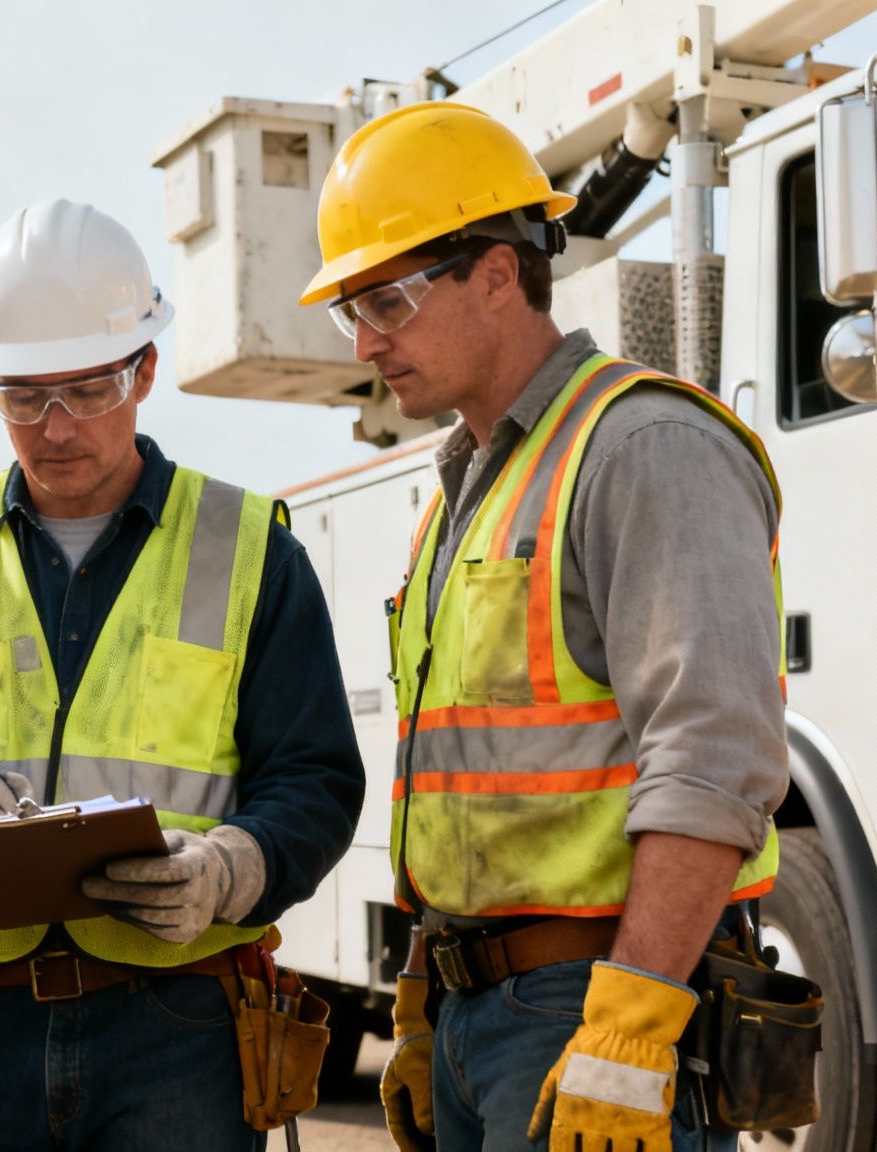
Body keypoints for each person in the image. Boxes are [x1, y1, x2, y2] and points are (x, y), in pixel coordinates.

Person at [0, 199, 366, 1151]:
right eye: (23, 396)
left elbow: (316, 781)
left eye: (88, 390)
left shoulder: (250, 552)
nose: (56, 427)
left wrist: (230, 870)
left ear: (145, 370)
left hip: (178, 1027)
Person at [299, 101, 787, 1152]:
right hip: (485, 1014)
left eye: (386, 298)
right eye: (351, 311)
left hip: (591, 1001)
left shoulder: (643, 446)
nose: (368, 341)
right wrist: (428, 996)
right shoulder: (466, 489)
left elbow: (712, 756)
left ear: (495, 272)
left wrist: (633, 1022)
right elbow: (464, 784)